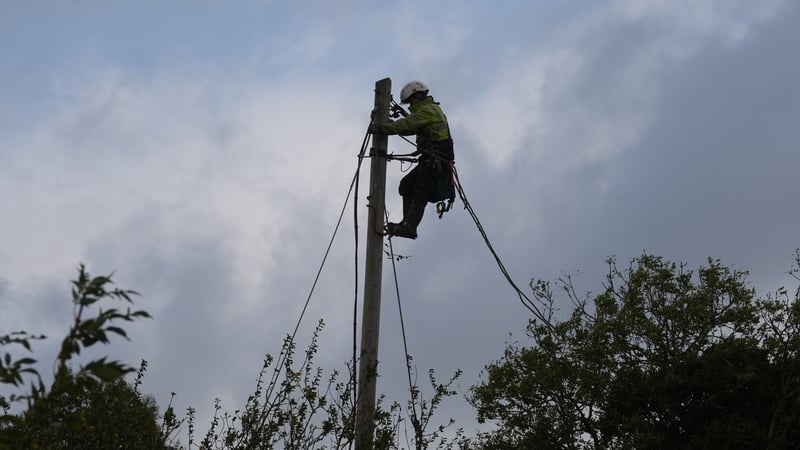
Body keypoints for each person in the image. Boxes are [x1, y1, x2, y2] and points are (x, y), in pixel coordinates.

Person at [368, 80, 454, 239]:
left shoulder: (429, 109)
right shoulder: (424, 112)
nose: (410, 104)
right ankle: (406, 223)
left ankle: (410, 227)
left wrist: (382, 128)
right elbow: (412, 126)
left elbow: (408, 124)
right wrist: (391, 125)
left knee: (421, 189)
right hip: (430, 157)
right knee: (406, 186)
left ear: (419, 95)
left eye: (411, 100)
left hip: (437, 158)